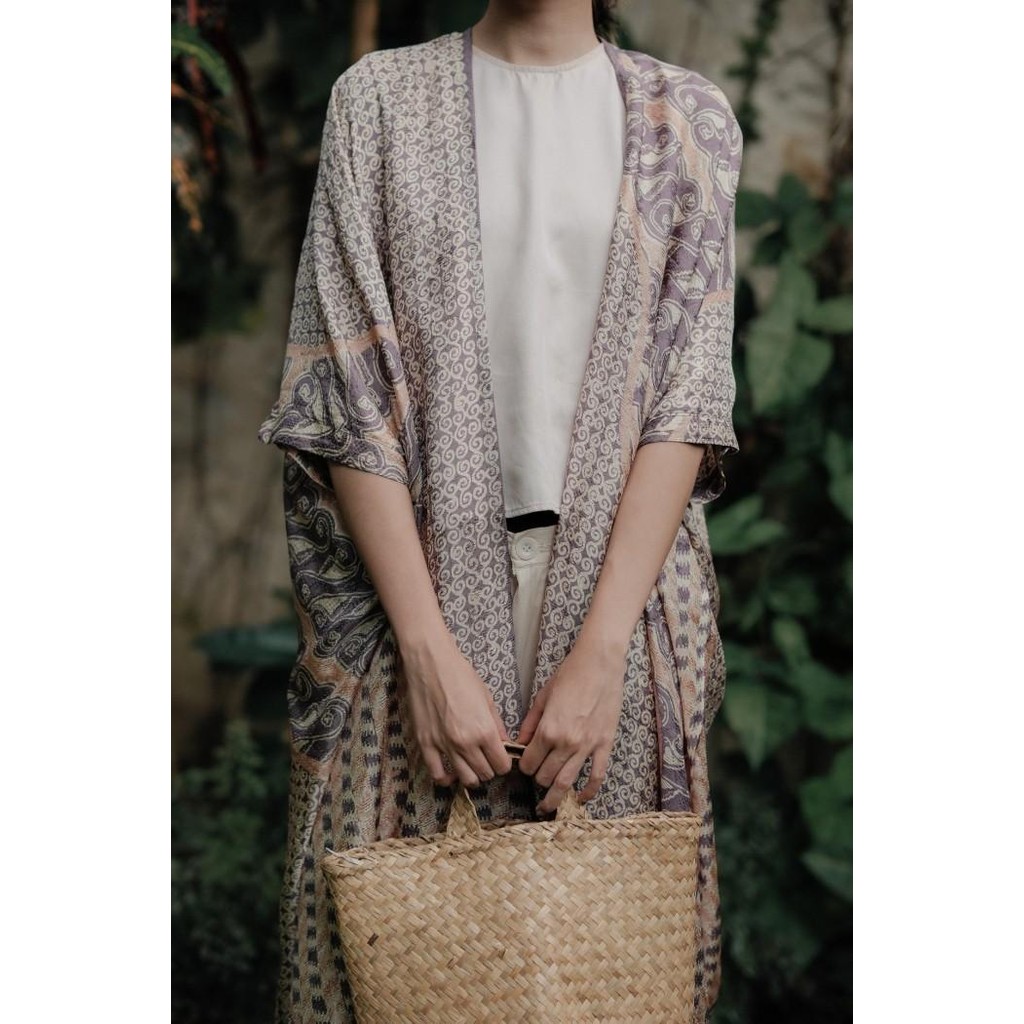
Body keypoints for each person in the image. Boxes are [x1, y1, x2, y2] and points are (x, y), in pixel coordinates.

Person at [258, 2, 743, 1022]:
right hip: (410, 601)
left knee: (613, 981)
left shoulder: (685, 120)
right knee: (392, 969)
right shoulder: (379, 103)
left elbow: (687, 406)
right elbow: (346, 393)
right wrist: (427, 650)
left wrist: (600, 653)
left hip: (626, 612)